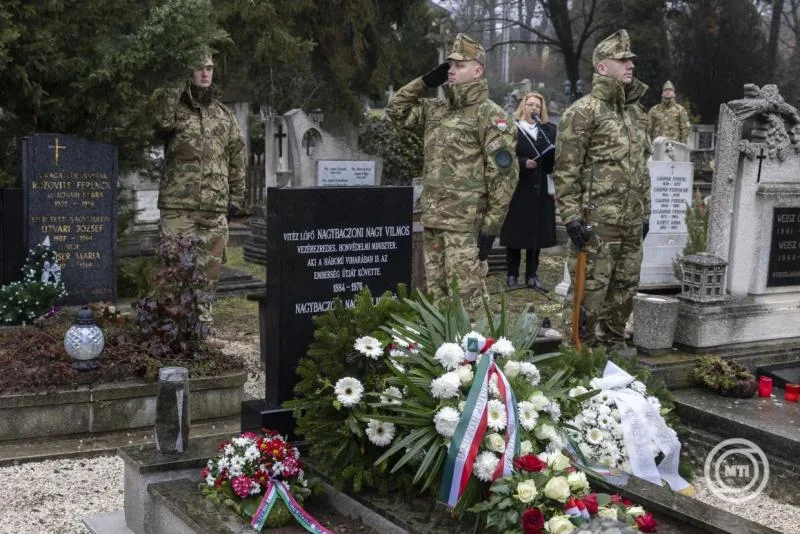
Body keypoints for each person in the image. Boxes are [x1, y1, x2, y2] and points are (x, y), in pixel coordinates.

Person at [386, 33, 518, 312]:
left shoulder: (490, 115)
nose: (451, 71)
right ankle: (444, 344)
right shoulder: (437, 109)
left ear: (478, 71)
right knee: (438, 301)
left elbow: (504, 176)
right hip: (433, 219)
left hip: (465, 226)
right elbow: (396, 111)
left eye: (460, 65)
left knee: (468, 302)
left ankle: (475, 343)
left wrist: (491, 228)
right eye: (450, 65)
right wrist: (424, 83)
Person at [553, 29, 651, 348]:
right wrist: (571, 217)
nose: (630, 64)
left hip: (631, 223)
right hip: (596, 223)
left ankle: (613, 353)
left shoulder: (637, 114)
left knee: (624, 292)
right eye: (622, 60)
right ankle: (578, 357)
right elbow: (566, 169)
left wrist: (646, 213)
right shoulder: (583, 112)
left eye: (631, 59)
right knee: (588, 295)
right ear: (602, 67)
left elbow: (641, 168)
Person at [149, 53, 246, 324]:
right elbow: (161, 124)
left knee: (209, 272)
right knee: (175, 268)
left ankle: (202, 325)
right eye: (198, 68)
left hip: (214, 206)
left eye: (209, 68)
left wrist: (237, 197)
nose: (205, 73)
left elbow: (236, 157)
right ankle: (173, 327)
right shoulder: (174, 108)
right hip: (179, 205)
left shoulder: (224, 115)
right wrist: (173, 83)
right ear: (188, 71)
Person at [500, 92, 557, 292]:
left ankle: (532, 275)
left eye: (537, 106)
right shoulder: (512, 128)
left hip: (540, 186)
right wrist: (522, 163)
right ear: (523, 106)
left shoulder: (548, 129)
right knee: (515, 231)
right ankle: (512, 274)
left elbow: (555, 154)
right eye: (530, 104)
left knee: (536, 231)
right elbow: (503, 155)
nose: (534, 108)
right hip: (518, 186)